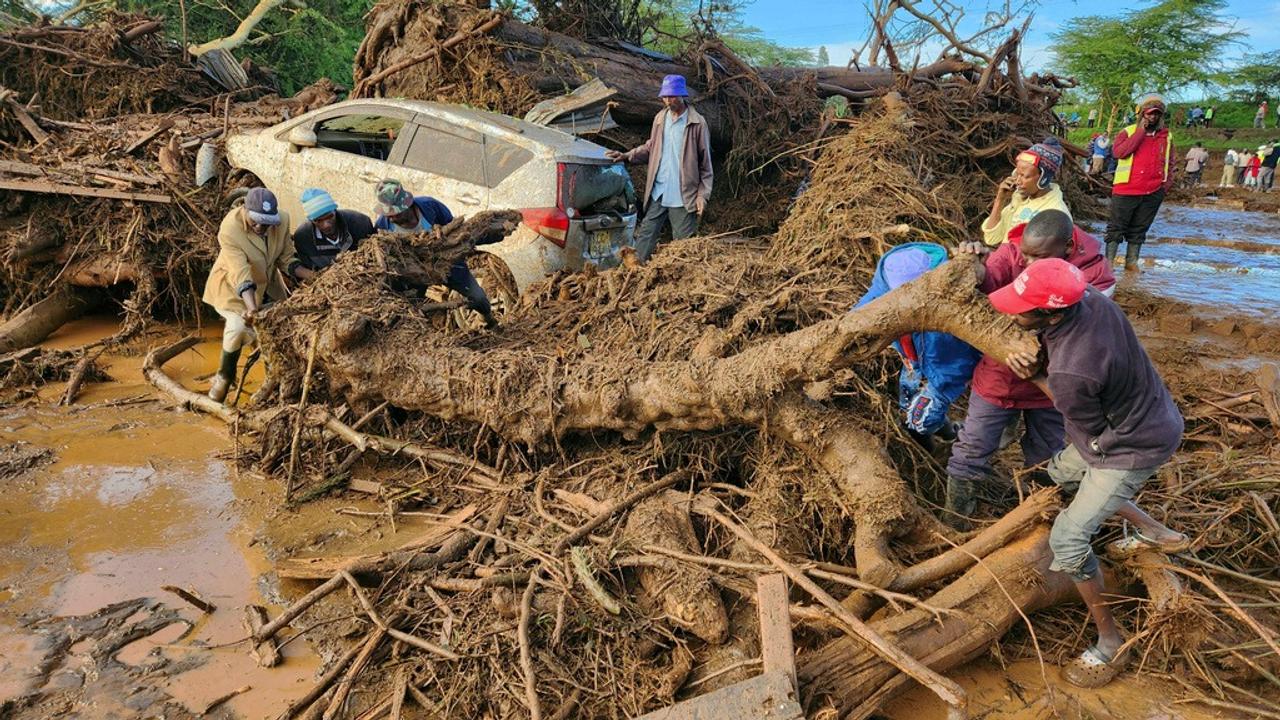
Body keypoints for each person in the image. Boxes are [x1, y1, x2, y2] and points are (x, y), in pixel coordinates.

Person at [992, 257, 1187, 689]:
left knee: (1068, 536)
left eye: (1022, 308)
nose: (1012, 311)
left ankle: (1110, 642)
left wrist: (1035, 372)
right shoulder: (1092, 298)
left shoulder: (1071, 372)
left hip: (1131, 444)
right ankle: (1160, 533)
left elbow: (1082, 421)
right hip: (1148, 413)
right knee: (1060, 475)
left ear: (1051, 313)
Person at [946, 210, 1116, 530]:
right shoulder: (1012, 253)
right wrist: (972, 264)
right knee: (972, 449)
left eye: (1037, 256)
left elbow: (1089, 335)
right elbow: (987, 281)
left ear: (1066, 248)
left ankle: (1035, 523)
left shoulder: (1094, 274)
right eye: (1025, 252)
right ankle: (955, 524)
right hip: (999, 377)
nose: (1026, 261)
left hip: (1053, 387)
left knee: (1045, 457)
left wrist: (1038, 359)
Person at [854, 243, 980, 450]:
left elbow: (960, 359)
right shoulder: (887, 280)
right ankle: (943, 430)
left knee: (919, 420)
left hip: (944, 371)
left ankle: (953, 439)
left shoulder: (948, 306)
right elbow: (864, 309)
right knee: (907, 403)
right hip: (913, 361)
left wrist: (941, 386)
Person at [203, 187, 315, 402]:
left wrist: (314, 277)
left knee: (280, 330)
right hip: (233, 288)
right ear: (245, 210)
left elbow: (287, 259)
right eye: (256, 222)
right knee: (237, 328)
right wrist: (252, 310)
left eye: (266, 222)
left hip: (268, 285)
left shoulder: (281, 221)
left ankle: (272, 382)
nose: (261, 227)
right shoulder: (230, 229)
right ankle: (224, 377)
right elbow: (240, 272)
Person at [606, 74, 713, 262]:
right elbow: (651, 147)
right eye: (664, 97)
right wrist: (627, 155)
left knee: (684, 247)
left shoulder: (697, 123)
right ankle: (633, 275)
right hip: (660, 191)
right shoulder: (660, 118)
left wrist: (702, 195)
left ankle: (682, 285)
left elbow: (706, 166)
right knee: (645, 236)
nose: (667, 100)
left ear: (682, 96)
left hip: (683, 195)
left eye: (671, 97)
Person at [371, 179, 497, 327]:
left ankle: (488, 319)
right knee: (407, 309)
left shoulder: (430, 206)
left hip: (448, 263)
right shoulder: (383, 226)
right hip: (414, 273)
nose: (390, 217)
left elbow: (455, 231)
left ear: (407, 205)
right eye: (388, 214)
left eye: (395, 213)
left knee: (478, 297)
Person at [1105, 93, 1174, 272]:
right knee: (1116, 228)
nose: (1153, 117)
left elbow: (1170, 161)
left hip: (1153, 191)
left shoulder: (1166, 136)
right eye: (1149, 113)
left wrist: (1165, 186)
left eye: (1157, 114)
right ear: (1142, 114)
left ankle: (1131, 262)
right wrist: (1140, 132)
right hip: (1126, 189)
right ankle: (1108, 264)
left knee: (1140, 229)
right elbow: (1120, 153)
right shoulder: (1127, 132)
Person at [982, 138, 1071, 246]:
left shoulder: (1055, 213)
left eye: (1024, 176)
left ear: (1044, 178)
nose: (1018, 181)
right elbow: (991, 238)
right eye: (1017, 174)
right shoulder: (1019, 200)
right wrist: (1000, 200)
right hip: (1006, 259)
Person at [292, 188, 374, 271]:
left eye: (330, 217)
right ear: (311, 220)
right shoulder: (303, 238)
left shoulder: (360, 223)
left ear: (335, 210)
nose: (326, 225)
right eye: (318, 221)